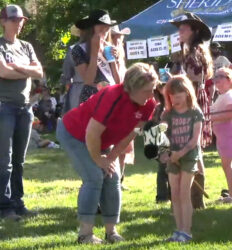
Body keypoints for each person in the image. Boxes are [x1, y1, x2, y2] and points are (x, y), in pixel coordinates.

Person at [56, 63, 158, 244]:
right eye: (147, 91)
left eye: (153, 90)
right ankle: (85, 235)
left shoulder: (149, 104)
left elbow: (131, 133)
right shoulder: (113, 97)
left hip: (101, 140)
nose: (151, 95)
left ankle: (111, 232)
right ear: (132, 88)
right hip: (75, 134)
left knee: (112, 177)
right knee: (94, 177)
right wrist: (98, 159)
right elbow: (92, 132)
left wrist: (111, 158)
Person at [0, 4, 43, 220]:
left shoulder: (26, 46)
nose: (19, 24)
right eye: (14, 20)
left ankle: (18, 203)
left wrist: (19, 68)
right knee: (4, 160)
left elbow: (39, 72)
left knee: (19, 160)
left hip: (25, 108)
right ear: (3, 21)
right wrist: (24, 71)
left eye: (21, 20)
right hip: (4, 107)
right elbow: (3, 72)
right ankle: (4, 206)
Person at [170, 12, 213, 209]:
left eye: (184, 27)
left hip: (192, 103)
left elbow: (193, 82)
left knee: (193, 148)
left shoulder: (194, 53)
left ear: (194, 31)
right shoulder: (189, 52)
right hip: (192, 101)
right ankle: (196, 199)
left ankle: (195, 199)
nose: (180, 30)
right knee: (196, 150)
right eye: (179, 27)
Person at [162, 75, 204, 242]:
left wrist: (181, 153)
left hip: (188, 156)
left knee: (184, 192)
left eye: (178, 96)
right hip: (172, 156)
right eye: (171, 97)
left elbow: (195, 139)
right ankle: (178, 230)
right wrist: (166, 153)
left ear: (187, 94)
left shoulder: (195, 112)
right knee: (175, 193)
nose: (174, 100)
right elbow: (162, 136)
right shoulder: (168, 114)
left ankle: (186, 231)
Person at [72, 9, 119, 104]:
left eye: (107, 28)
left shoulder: (109, 47)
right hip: (92, 98)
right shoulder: (79, 49)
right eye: (101, 27)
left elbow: (118, 82)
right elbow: (88, 81)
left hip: (112, 96)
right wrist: (94, 52)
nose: (105, 31)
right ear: (92, 28)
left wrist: (114, 60)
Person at [211, 68, 232, 203]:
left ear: (230, 80)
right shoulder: (222, 95)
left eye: (221, 76)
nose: (217, 79)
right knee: (226, 166)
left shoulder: (230, 95)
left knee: (227, 165)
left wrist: (210, 117)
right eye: (216, 76)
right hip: (223, 137)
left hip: (230, 135)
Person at [110, 23, 133, 190]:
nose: (118, 38)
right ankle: (113, 179)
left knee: (125, 144)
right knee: (116, 142)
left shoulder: (121, 54)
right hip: (115, 101)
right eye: (115, 35)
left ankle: (120, 179)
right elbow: (117, 81)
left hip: (126, 100)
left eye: (120, 36)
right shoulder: (109, 54)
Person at [61, 25, 85, 114]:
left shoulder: (73, 49)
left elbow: (67, 74)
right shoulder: (73, 49)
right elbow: (67, 74)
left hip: (78, 89)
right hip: (79, 88)